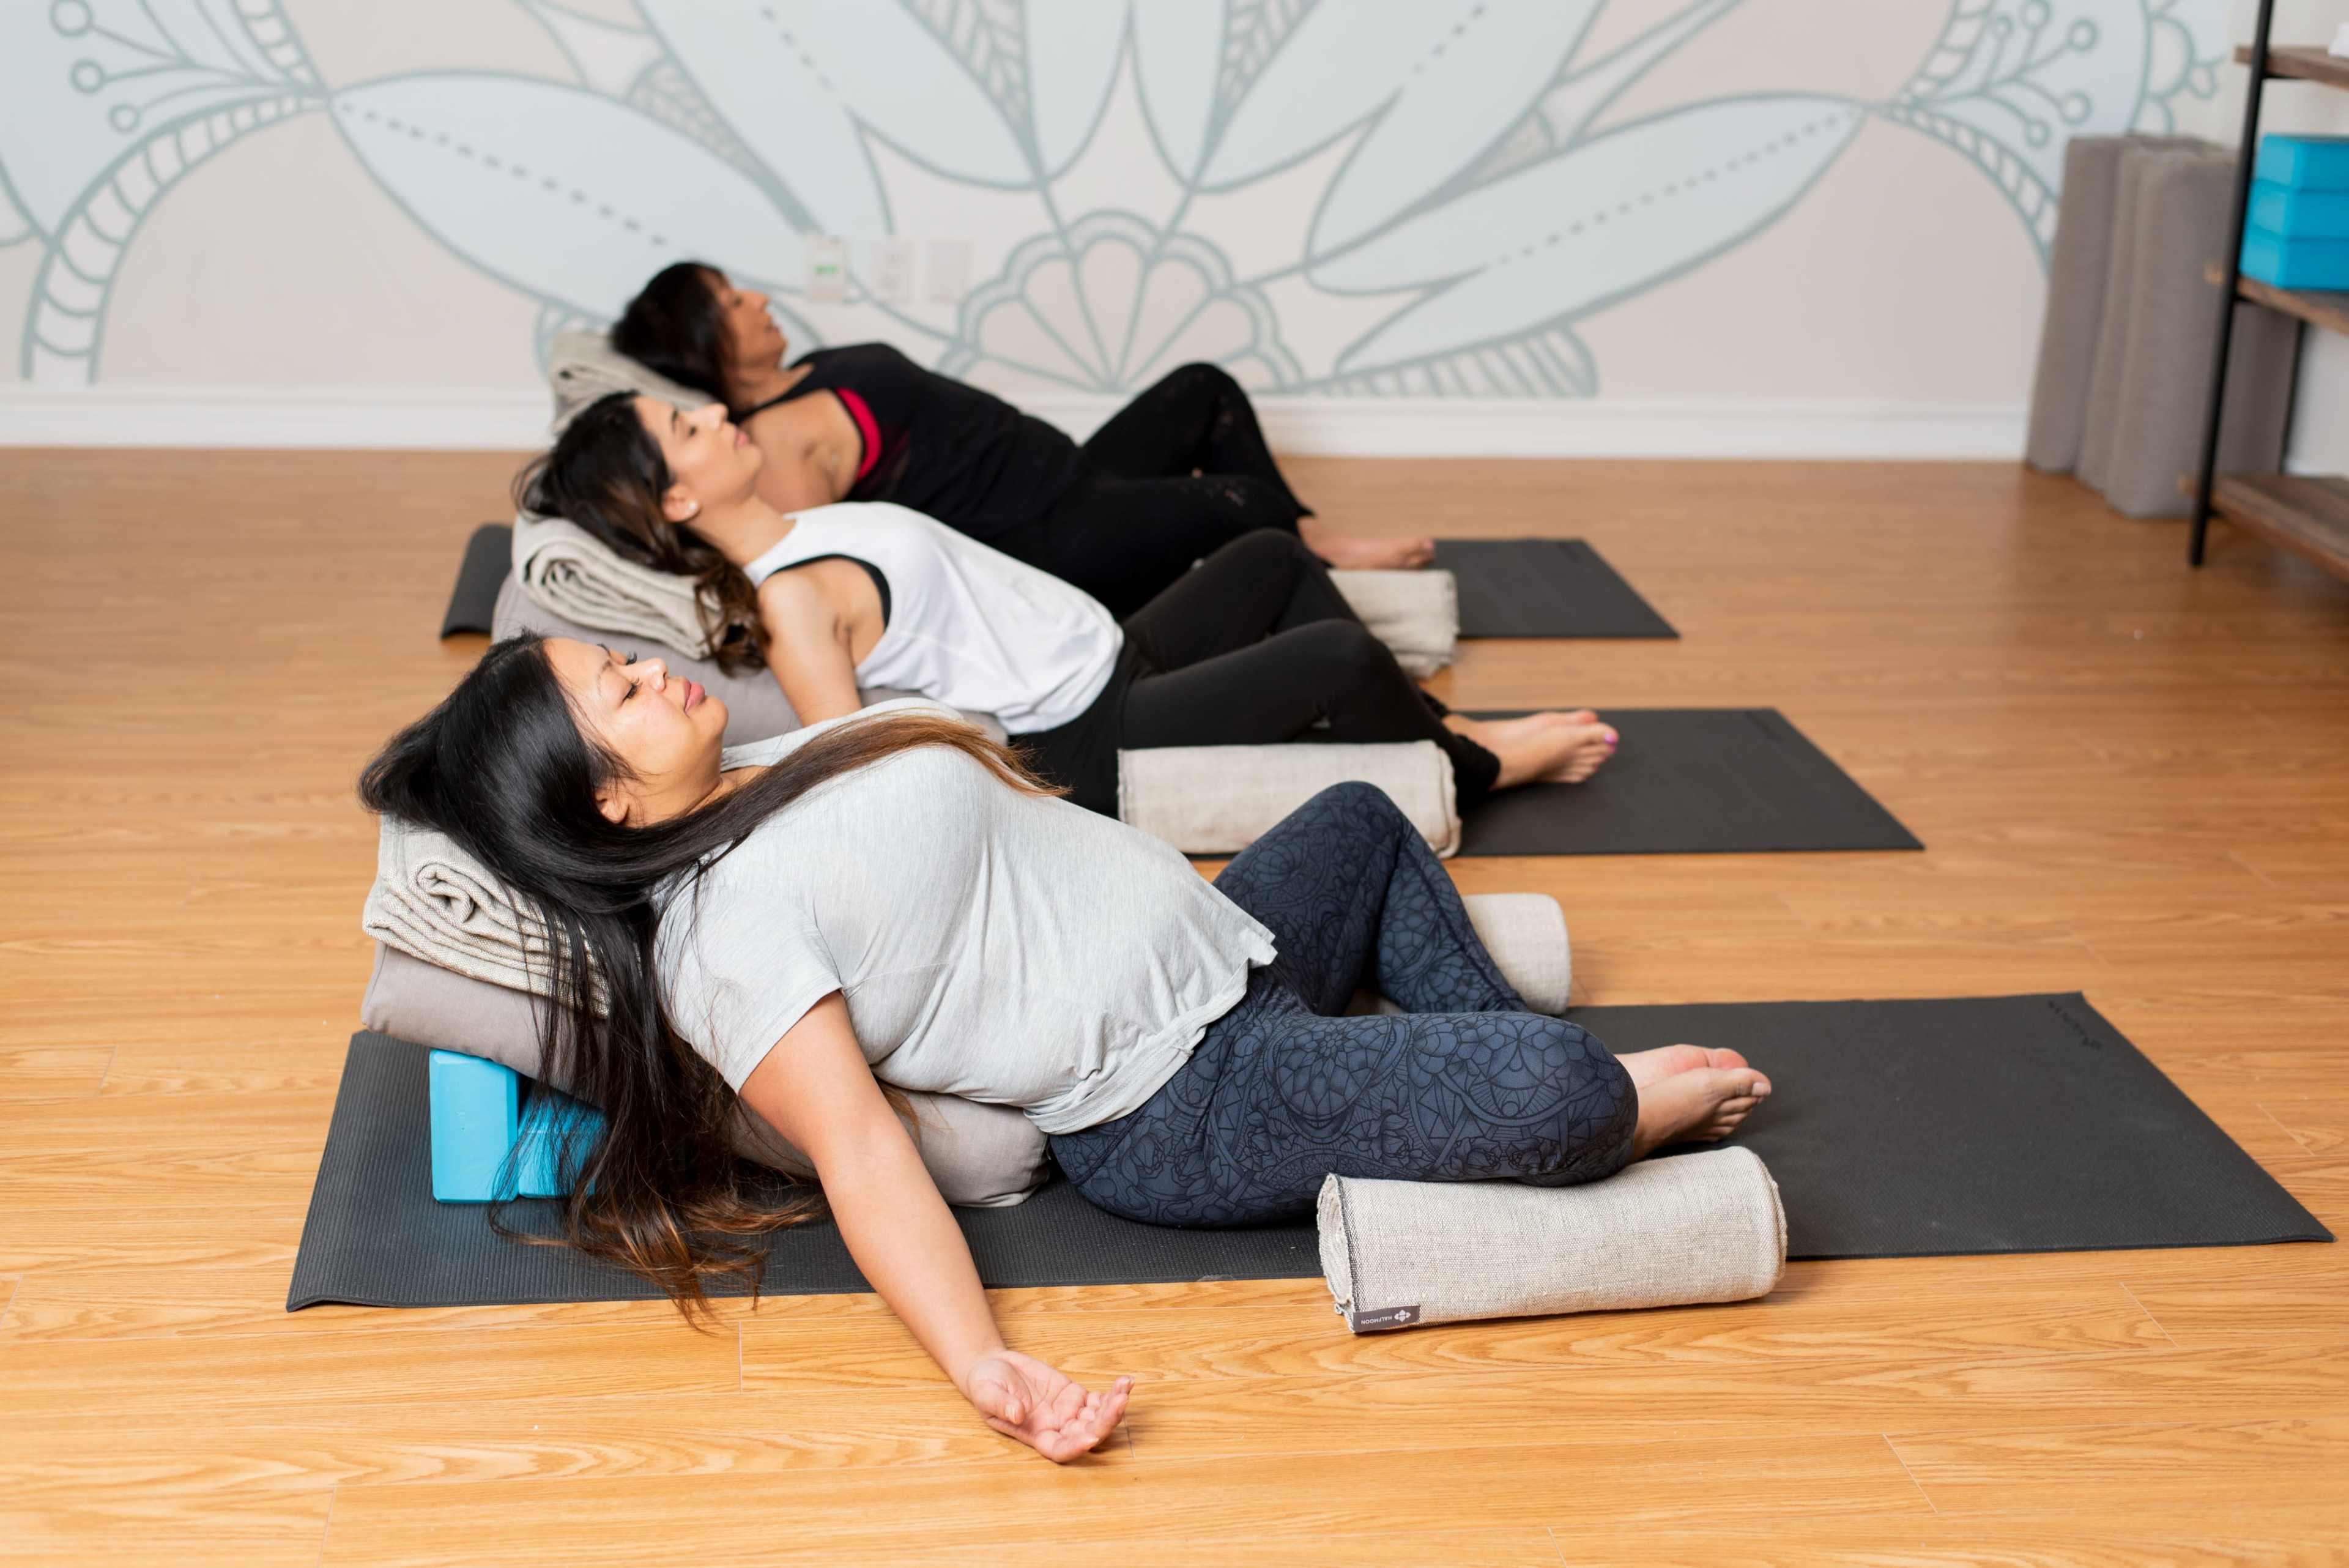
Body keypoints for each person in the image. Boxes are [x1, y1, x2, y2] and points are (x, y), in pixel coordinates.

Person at [359, 640, 1773, 1462]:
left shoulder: (773, 762)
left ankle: (1482, 1072)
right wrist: (983, 1362)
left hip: (1237, 953)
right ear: (606, 803)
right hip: (1183, 1098)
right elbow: (859, 1151)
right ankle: (1573, 1106)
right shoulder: (721, 940)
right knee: (1567, 1091)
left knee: (1358, 818)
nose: (654, 670)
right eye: (619, 691)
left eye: (620, 658)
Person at [518, 393, 1620, 817]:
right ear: (676, 498)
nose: (717, 414)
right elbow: (846, 761)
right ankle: (1473, 763)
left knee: (1269, 557)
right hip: (1090, 728)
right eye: (689, 428)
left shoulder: (810, 521)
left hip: (1110, 650)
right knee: (1334, 652)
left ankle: (1429, 721)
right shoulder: (794, 601)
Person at [609, 261, 1431, 614]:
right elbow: (822, 566)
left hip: (1068, 475)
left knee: (1201, 389)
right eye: (732, 302)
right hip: (1048, 536)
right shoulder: (773, 443)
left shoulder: (809, 371)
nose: (757, 299)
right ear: (707, 343)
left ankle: (1309, 542)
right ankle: (1310, 566)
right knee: (1238, 502)